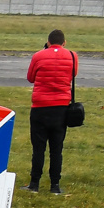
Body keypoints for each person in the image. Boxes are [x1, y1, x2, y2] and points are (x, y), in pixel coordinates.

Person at [25, 29, 78, 196]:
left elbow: (31, 77)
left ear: (48, 42)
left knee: (38, 147)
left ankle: (34, 184)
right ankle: (55, 185)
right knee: (57, 148)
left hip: (40, 106)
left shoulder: (38, 56)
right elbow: (73, 74)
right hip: (61, 108)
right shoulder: (72, 56)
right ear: (64, 42)